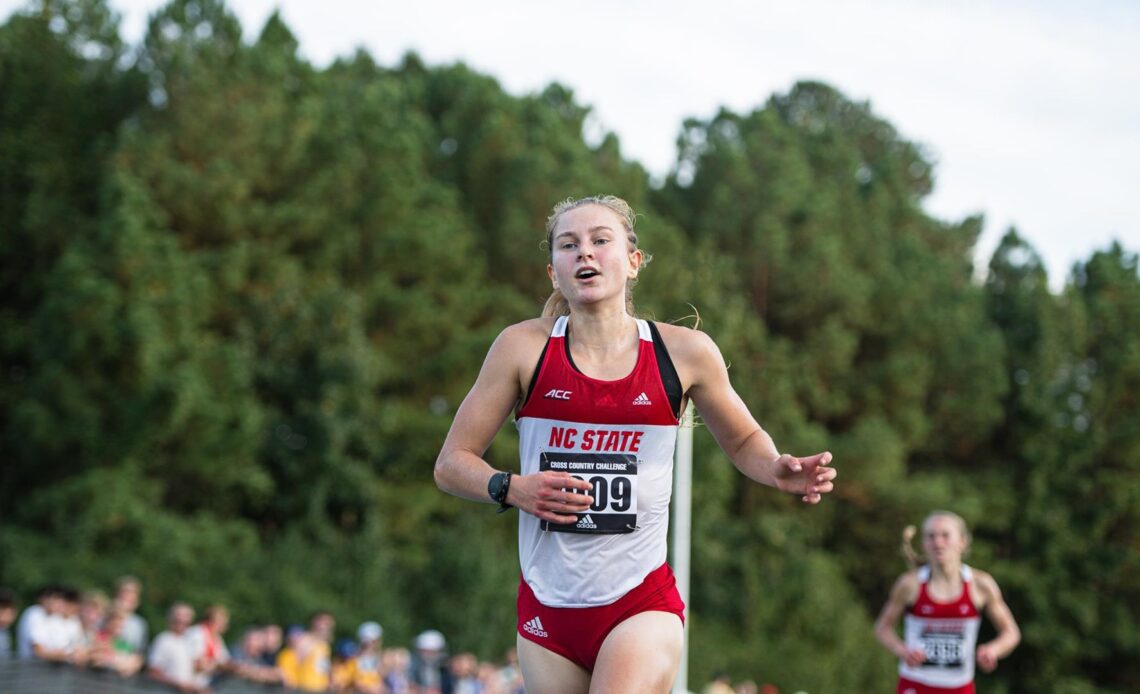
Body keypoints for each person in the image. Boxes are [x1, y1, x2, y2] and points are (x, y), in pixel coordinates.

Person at [434, 194, 837, 693]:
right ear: (552, 273)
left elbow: (743, 439)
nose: (585, 253)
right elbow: (451, 464)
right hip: (547, 609)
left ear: (633, 262)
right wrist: (511, 488)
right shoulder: (522, 347)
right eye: (569, 245)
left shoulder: (684, 352)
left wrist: (775, 466)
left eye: (600, 240)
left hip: (639, 603)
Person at [873, 510, 1021, 694]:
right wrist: (903, 651)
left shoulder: (980, 585)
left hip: (959, 687)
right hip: (915, 684)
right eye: (931, 536)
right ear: (923, 544)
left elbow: (1011, 632)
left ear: (962, 541)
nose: (937, 542)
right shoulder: (910, 584)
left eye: (945, 535)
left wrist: (993, 650)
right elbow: (882, 628)